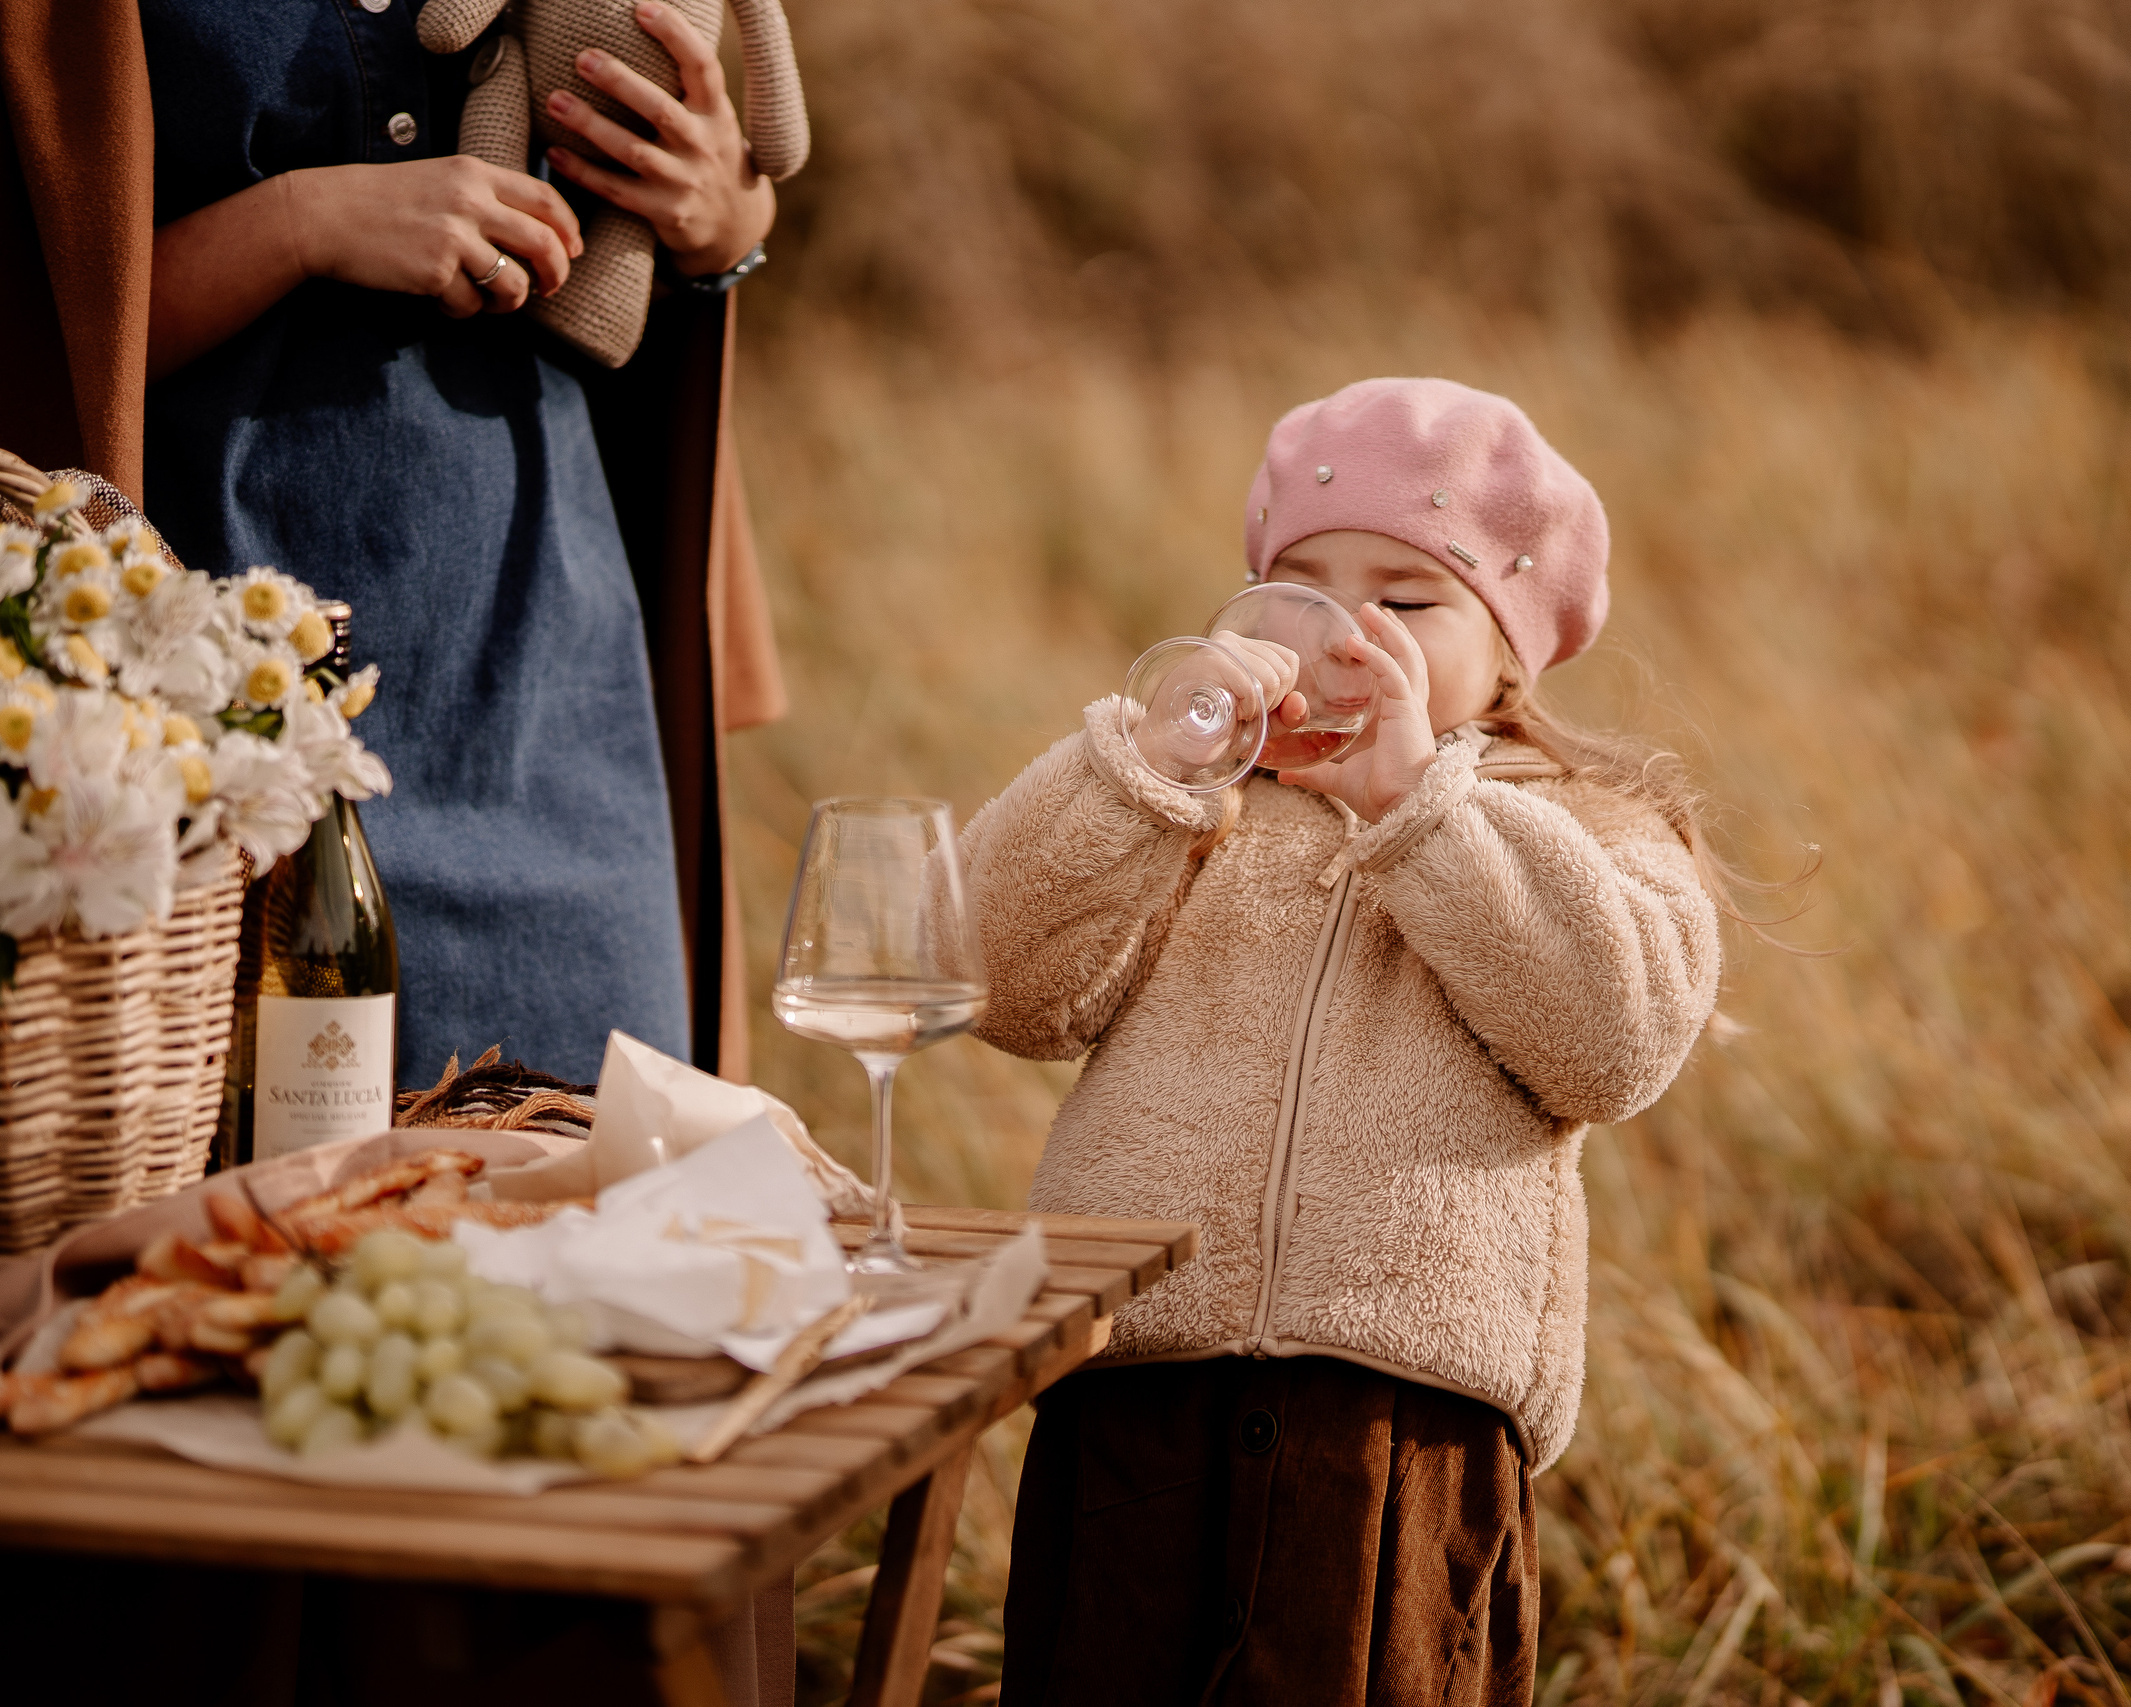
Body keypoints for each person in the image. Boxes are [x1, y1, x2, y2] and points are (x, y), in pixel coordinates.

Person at [962, 377, 1725, 1705]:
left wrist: (1422, 807)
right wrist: (1149, 762)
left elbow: (1614, 1042)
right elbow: (1001, 982)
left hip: (1398, 1429)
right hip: (1136, 1399)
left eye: (1411, 598)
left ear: (1507, 655)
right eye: (1298, 586)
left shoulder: (1580, 827)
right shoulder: (1191, 811)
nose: (1345, 630)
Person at [0, 0, 787, 1088]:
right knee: (249, 1246)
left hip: (554, 709)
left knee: (620, 1229)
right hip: (209, 737)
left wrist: (720, 215)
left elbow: (705, 225)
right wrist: (299, 226)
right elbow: (41, 345)